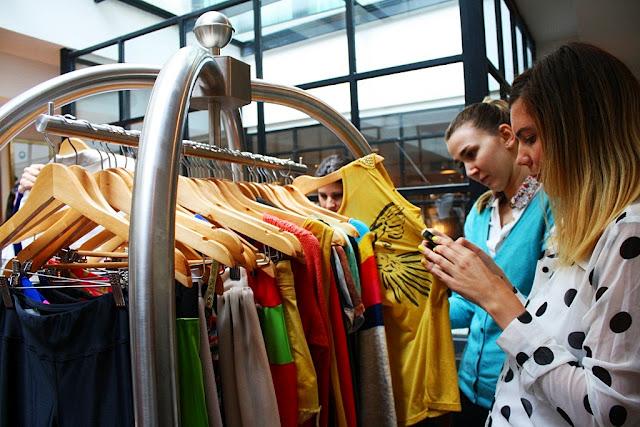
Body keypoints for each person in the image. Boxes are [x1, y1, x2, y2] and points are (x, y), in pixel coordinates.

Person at [420, 42, 640, 426]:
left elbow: (610, 411)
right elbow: (549, 322)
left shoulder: (625, 232)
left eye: (531, 138)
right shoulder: (488, 213)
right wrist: (489, 283)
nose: (523, 155)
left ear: (580, 129)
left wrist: (495, 295)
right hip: (485, 387)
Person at [434, 99, 552, 426]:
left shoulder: (550, 208)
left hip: (527, 388)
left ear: (505, 136)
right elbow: (468, 305)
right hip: (469, 383)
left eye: (471, 153)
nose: (469, 171)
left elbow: (554, 312)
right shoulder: (480, 213)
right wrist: (419, 310)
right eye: (461, 162)